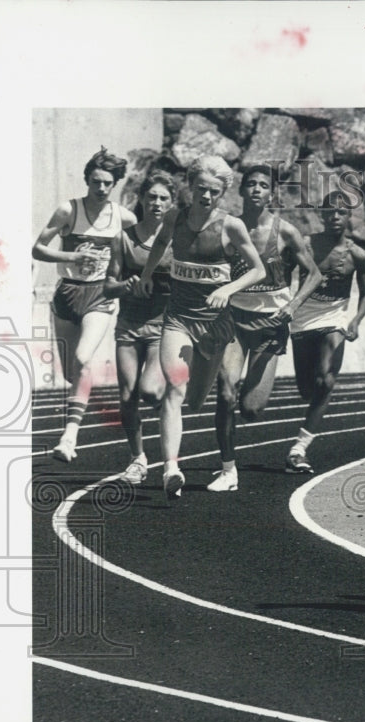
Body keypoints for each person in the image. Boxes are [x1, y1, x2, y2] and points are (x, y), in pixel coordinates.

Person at [138, 154, 266, 499]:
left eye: (214, 192)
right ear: (190, 187)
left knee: (201, 400)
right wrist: (148, 275)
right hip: (178, 319)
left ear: (222, 192)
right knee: (174, 391)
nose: (206, 197)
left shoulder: (230, 226)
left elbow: (258, 270)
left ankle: (225, 468)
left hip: (215, 326)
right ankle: (171, 469)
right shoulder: (175, 218)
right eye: (201, 190)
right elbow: (161, 243)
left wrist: (226, 289)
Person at [207, 165, 324, 492]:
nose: (257, 190)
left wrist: (291, 307)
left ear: (271, 193)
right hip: (232, 321)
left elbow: (314, 275)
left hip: (271, 325)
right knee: (225, 394)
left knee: (251, 408)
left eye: (263, 185)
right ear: (242, 191)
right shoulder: (227, 227)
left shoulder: (285, 232)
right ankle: (228, 470)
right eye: (251, 185)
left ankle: (235, 449)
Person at [32, 147, 138, 462]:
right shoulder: (68, 210)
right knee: (71, 373)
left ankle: (69, 437)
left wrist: (128, 282)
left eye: (107, 182)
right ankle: (75, 405)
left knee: (83, 358)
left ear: (115, 183)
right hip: (66, 294)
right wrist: (73, 256)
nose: (101, 188)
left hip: (100, 296)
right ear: (87, 180)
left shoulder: (124, 217)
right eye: (96, 181)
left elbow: (143, 250)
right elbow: (37, 249)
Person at [284, 191, 365, 474]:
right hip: (303, 316)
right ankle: (310, 410)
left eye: (341, 212)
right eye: (330, 212)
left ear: (349, 217)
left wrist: (356, 320)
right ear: (321, 215)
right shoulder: (306, 245)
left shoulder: (358, 255)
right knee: (306, 390)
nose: (335, 217)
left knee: (327, 379)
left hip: (335, 316)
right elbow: (283, 274)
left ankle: (299, 447)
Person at [102, 171, 176, 484]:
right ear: (142, 200)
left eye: (163, 198)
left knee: (149, 390)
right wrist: (126, 285)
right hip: (129, 326)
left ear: (171, 204)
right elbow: (107, 287)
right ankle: (138, 458)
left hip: (161, 326)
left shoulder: (177, 241)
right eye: (152, 197)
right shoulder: (124, 237)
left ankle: (169, 403)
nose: (157, 203)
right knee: (127, 394)